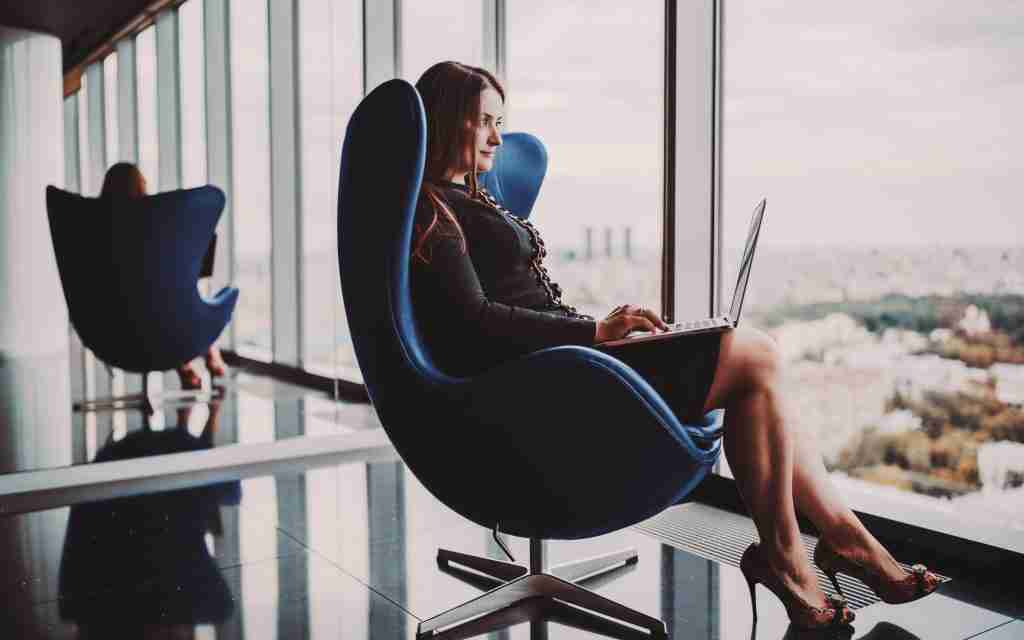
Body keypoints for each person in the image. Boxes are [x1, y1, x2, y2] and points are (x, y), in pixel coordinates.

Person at [409, 61, 941, 631]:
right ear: (447, 121)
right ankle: (800, 553)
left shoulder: (468, 200)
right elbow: (474, 321)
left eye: (499, 121)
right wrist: (594, 332)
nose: (497, 136)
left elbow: (513, 305)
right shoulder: (433, 212)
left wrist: (601, 327)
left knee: (758, 371)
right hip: (547, 382)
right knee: (755, 355)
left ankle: (834, 539)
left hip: (570, 361)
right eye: (484, 121)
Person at [99, 162, 229, 390]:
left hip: (109, 331)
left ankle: (189, 367)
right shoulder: (153, 225)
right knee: (172, 301)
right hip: (158, 328)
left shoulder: (93, 229)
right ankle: (209, 357)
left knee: (155, 302)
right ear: (140, 187)